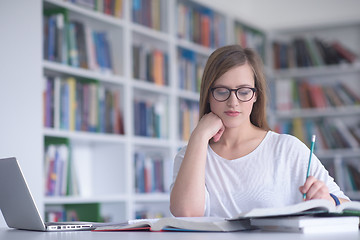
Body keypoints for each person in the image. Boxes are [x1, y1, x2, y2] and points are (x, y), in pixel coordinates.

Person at [169, 44, 349, 218]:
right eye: (222, 91)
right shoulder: (190, 155)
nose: (233, 102)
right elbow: (187, 213)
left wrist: (328, 201)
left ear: (255, 95)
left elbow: (347, 206)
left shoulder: (286, 149)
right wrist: (199, 137)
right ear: (208, 95)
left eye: (244, 91)